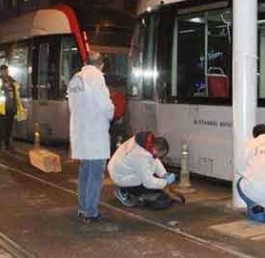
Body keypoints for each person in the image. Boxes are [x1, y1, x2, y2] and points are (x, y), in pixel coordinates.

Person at [68, 52, 114, 223]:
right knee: (95, 173)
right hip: (95, 132)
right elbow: (105, 105)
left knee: (84, 172)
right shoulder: (96, 78)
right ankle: (91, 211)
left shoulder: (75, 78)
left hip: (80, 132)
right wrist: (112, 112)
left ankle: (82, 207)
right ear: (101, 65)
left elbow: (72, 105)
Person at [108, 132, 185, 210]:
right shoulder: (140, 155)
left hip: (118, 167)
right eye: (161, 155)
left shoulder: (144, 143)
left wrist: (164, 174)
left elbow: (154, 159)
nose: (161, 158)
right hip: (120, 176)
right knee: (147, 181)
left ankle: (132, 190)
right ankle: (123, 190)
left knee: (152, 178)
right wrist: (165, 182)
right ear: (156, 151)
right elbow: (148, 182)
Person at [0, 65, 25, 150]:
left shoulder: (12, 80)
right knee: (0, 127)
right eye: (3, 71)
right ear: (1, 71)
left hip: (11, 107)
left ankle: (7, 144)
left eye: (6, 71)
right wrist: (3, 88)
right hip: (1, 108)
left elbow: (16, 93)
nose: (5, 73)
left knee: (8, 128)